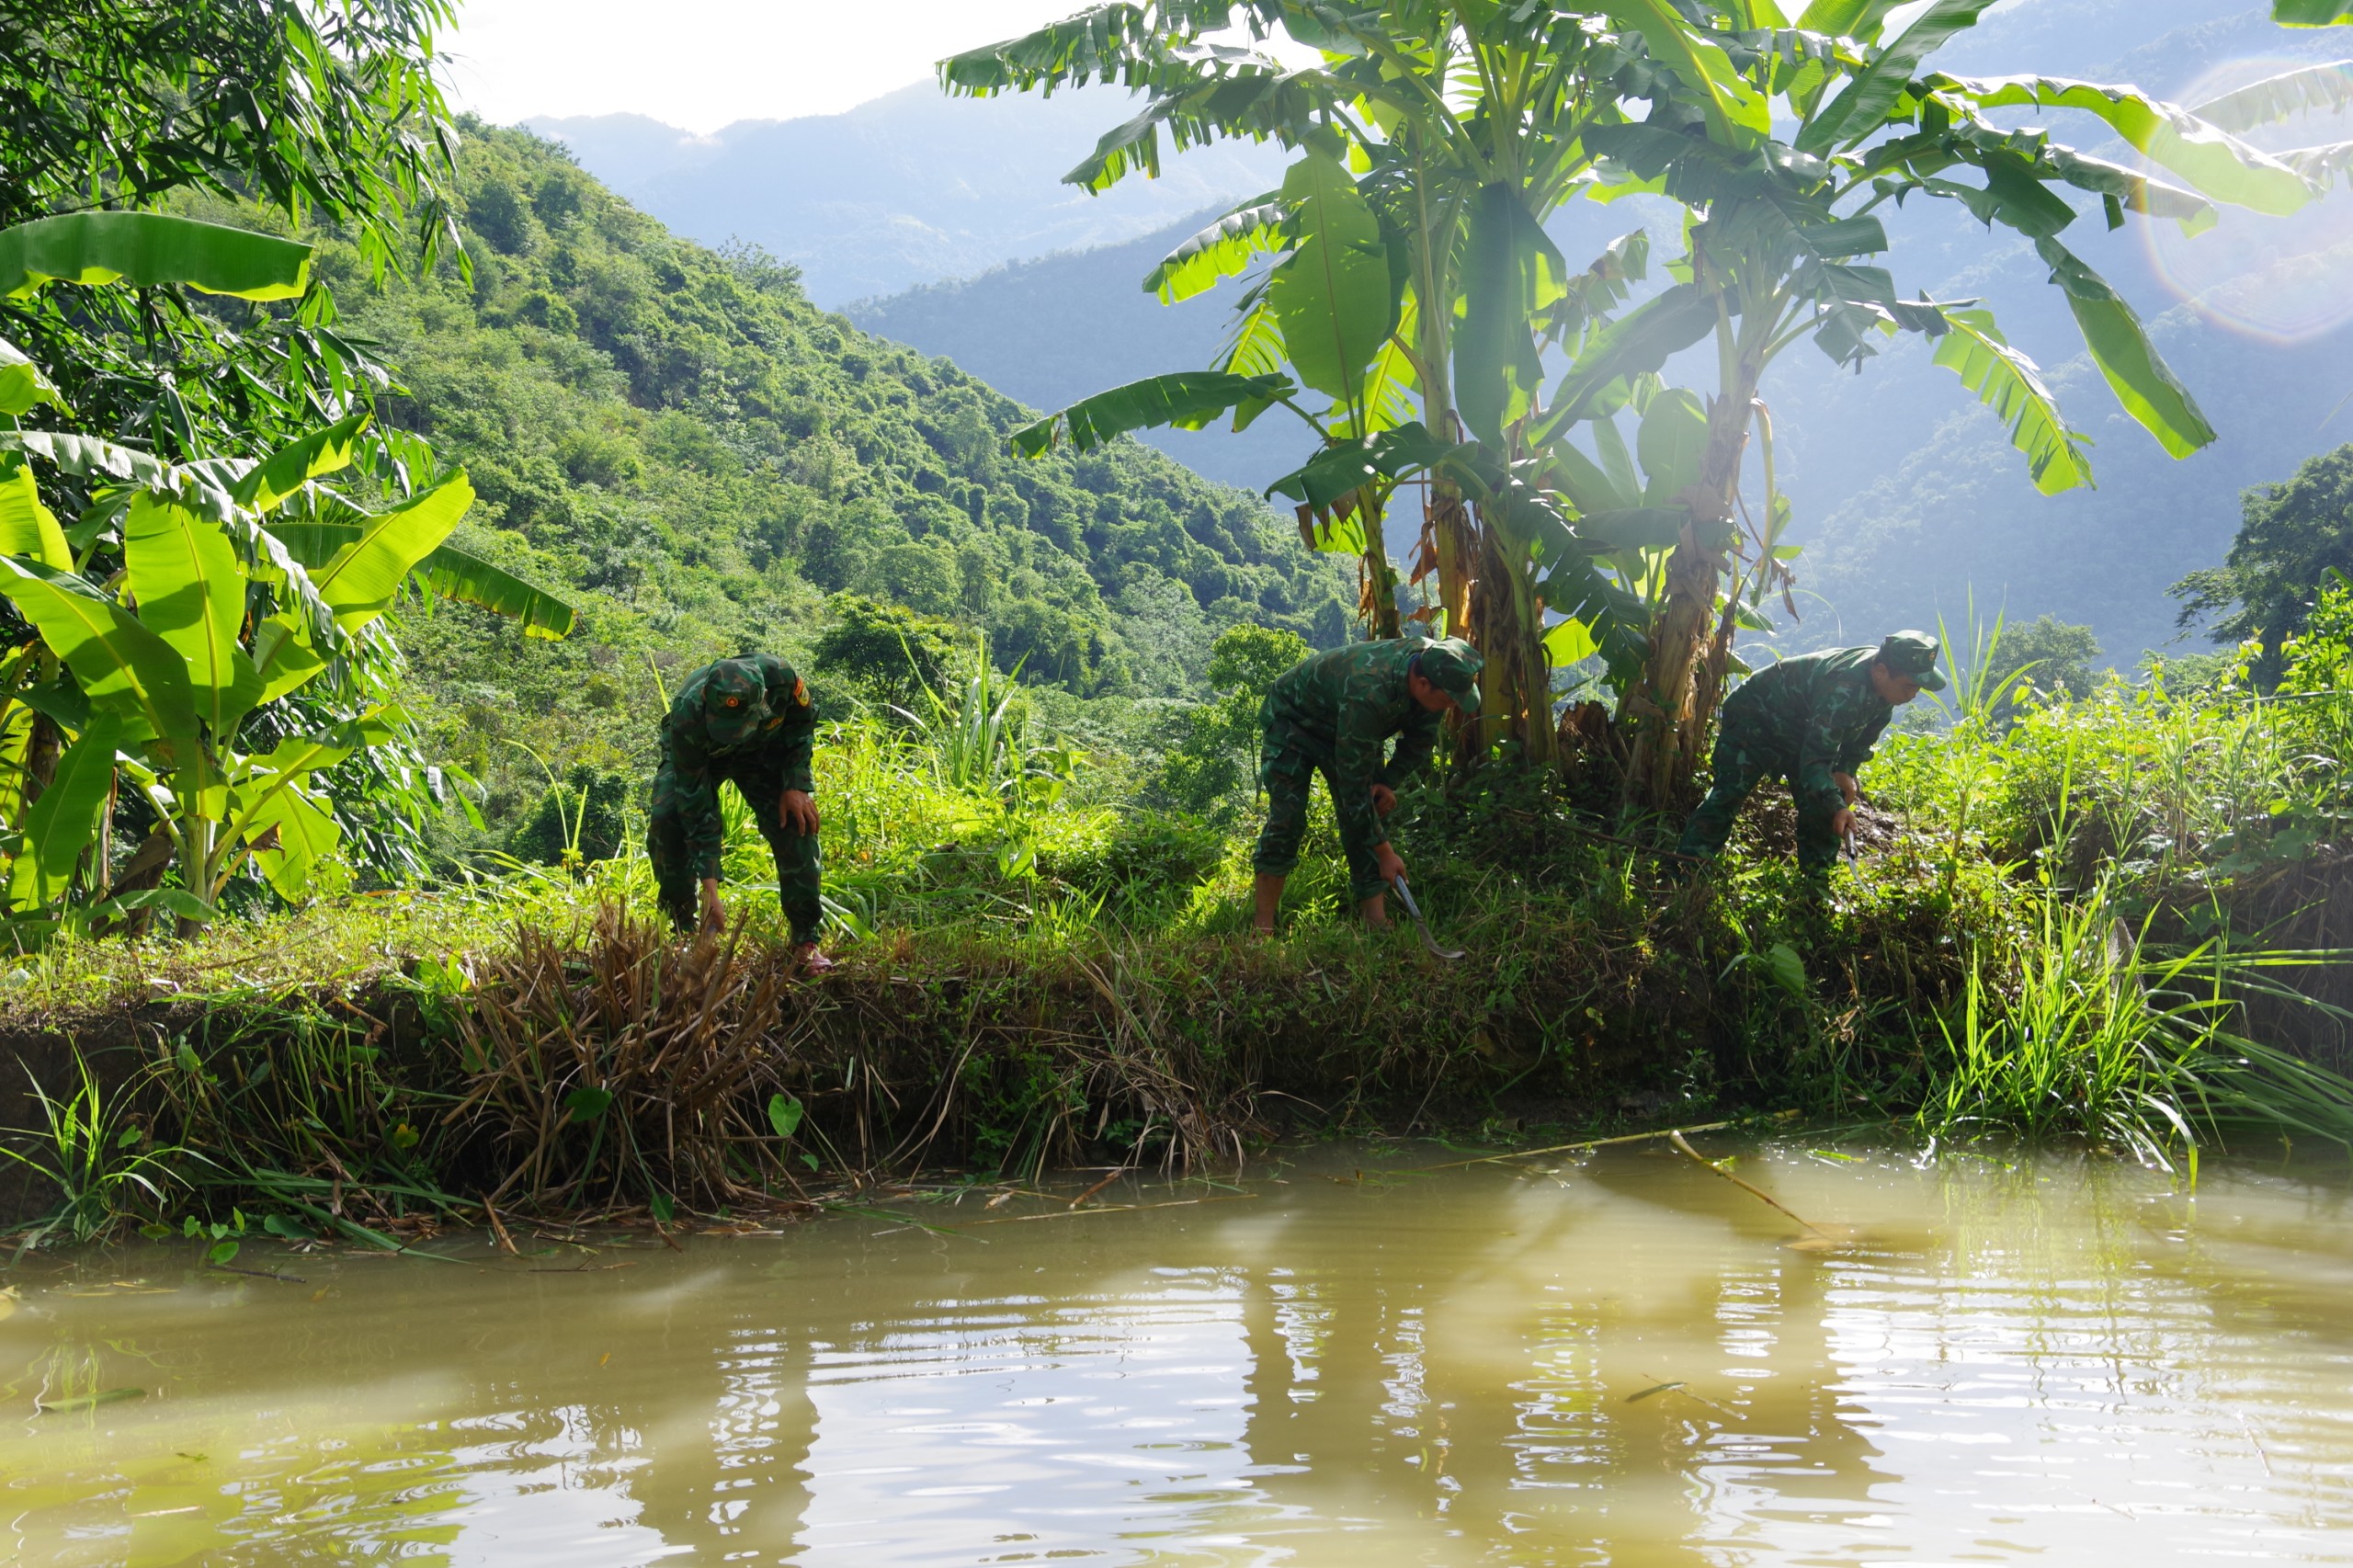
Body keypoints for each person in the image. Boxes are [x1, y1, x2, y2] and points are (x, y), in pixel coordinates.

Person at [1251, 635, 1483, 934]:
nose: (1454, 705)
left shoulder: (1437, 669)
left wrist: (1388, 782)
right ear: (1423, 684)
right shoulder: (1370, 690)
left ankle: (1374, 920)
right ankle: (1263, 925)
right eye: (1451, 698)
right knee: (1288, 817)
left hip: (1348, 724)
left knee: (1370, 808)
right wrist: (1385, 853)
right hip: (1294, 719)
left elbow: (1419, 743)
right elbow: (1353, 787)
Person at [1677, 630, 1944, 873]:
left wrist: (1845, 773)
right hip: (1755, 718)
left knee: (1825, 801)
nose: (1914, 694)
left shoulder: (1885, 693)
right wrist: (1837, 805)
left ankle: (1817, 887)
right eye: (1910, 685)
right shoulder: (1844, 689)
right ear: (1882, 671)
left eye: (1919, 687)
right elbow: (1814, 760)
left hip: (1799, 729)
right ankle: (1684, 871)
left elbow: (1859, 742)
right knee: (1728, 794)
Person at [646, 653, 833, 971]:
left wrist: (795, 782)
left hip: (763, 752)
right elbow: (696, 806)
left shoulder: (781, 678)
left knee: (796, 823)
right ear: (706, 699)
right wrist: (711, 892)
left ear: (762, 700)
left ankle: (805, 940)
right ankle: (683, 933)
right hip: (705, 756)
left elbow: (803, 724)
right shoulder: (687, 716)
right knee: (669, 820)